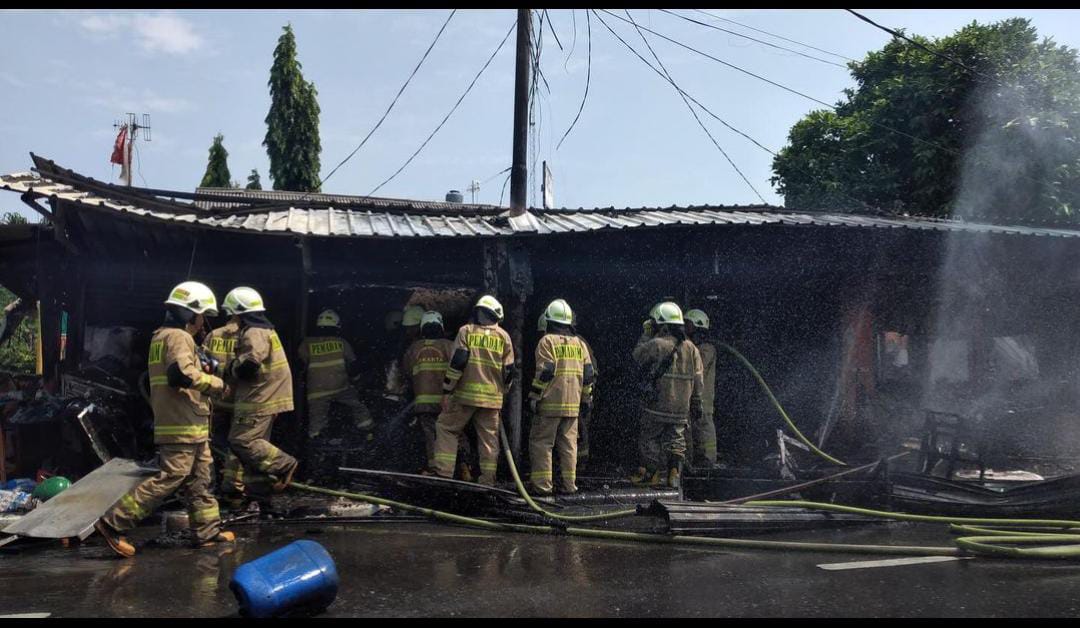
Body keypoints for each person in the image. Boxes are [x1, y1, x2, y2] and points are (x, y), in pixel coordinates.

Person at [94, 281, 234, 557]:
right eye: (201, 315)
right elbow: (180, 374)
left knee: (201, 478)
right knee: (172, 476)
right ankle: (113, 522)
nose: (202, 322)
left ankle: (207, 531)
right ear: (190, 312)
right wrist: (216, 384)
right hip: (181, 423)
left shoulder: (162, 337)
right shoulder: (178, 337)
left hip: (190, 422)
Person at [218, 287, 298, 509]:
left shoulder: (254, 332)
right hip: (265, 397)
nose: (230, 319)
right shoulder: (263, 330)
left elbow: (250, 365)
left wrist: (228, 368)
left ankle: (284, 464)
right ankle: (260, 496)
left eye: (232, 314)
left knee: (242, 441)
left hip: (258, 398)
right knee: (253, 455)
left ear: (239, 313)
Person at [430, 295, 514, 485]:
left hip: (464, 397)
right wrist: (503, 391)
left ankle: (443, 473)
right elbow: (509, 371)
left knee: (446, 428)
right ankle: (487, 480)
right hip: (492, 399)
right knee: (489, 440)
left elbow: (458, 362)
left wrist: (447, 389)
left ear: (478, 313)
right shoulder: (504, 337)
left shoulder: (466, 331)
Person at [629, 301, 704, 489]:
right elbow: (698, 379)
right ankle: (674, 475)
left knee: (649, 438)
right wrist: (696, 403)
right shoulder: (692, 348)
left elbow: (637, 357)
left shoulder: (656, 344)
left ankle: (651, 474)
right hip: (681, 408)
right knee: (676, 441)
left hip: (657, 404)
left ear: (662, 325)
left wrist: (646, 334)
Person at [527, 299, 595, 496]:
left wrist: (534, 396)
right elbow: (588, 375)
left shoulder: (546, 341)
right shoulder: (580, 344)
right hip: (572, 406)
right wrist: (586, 399)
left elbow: (545, 371)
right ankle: (569, 485)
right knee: (569, 446)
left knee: (542, 444)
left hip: (549, 405)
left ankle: (542, 486)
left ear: (548, 320)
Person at [402, 311, 471, 478]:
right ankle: (464, 466)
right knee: (455, 433)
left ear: (422, 328)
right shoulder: (450, 346)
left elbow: (407, 373)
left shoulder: (413, 349)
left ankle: (435, 468)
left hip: (423, 403)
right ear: (441, 327)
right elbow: (461, 369)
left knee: (431, 436)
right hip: (447, 401)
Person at [297, 308, 373, 440]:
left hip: (316, 390)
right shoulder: (341, 342)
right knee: (358, 407)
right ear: (337, 326)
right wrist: (357, 380)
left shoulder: (306, 343)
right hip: (341, 387)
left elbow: (301, 364)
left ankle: (316, 441)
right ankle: (368, 432)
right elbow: (352, 365)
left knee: (317, 419)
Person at [202, 289, 243, 488]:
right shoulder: (248, 336)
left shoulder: (213, 335)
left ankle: (214, 483)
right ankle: (233, 487)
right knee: (238, 446)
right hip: (241, 403)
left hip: (216, 401)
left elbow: (202, 364)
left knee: (214, 444)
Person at [684, 309, 718, 469]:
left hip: (703, 400)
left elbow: (696, 368)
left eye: (688, 324)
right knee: (691, 431)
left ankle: (708, 460)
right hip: (691, 397)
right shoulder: (694, 347)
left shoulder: (707, 349)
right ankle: (692, 462)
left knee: (704, 430)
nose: (685, 327)